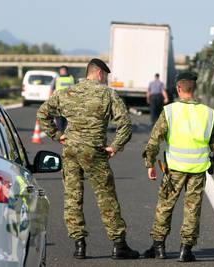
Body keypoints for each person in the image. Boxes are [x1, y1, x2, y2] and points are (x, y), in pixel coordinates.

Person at [36, 58, 139, 260]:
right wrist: (115, 146)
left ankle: (79, 245)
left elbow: (42, 113)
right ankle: (119, 245)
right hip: (94, 151)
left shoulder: (66, 93)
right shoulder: (107, 94)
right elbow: (125, 124)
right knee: (106, 197)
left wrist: (57, 135)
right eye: (106, 76)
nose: (106, 79)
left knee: (72, 197)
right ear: (100, 73)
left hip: (71, 149)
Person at [142, 71, 214, 262]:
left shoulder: (170, 111)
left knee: (164, 206)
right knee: (192, 209)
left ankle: (159, 247)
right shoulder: (208, 113)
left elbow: (154, 139)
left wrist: (150, 163)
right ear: (194, 89)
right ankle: (185, 250)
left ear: (179, 89)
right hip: (198, 170)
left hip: (174, 169)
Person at [54, 65, 75, 132]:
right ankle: (60, 132)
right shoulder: (57, 78)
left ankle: (65, 131)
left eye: (64, 70)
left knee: (67, 118)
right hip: (58, 100)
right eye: (61, 70)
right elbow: (51, 88)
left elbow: (75, 89)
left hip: (68, 101)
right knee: (59, 117)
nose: (62, 72)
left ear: (66, 71)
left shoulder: (71, 78)